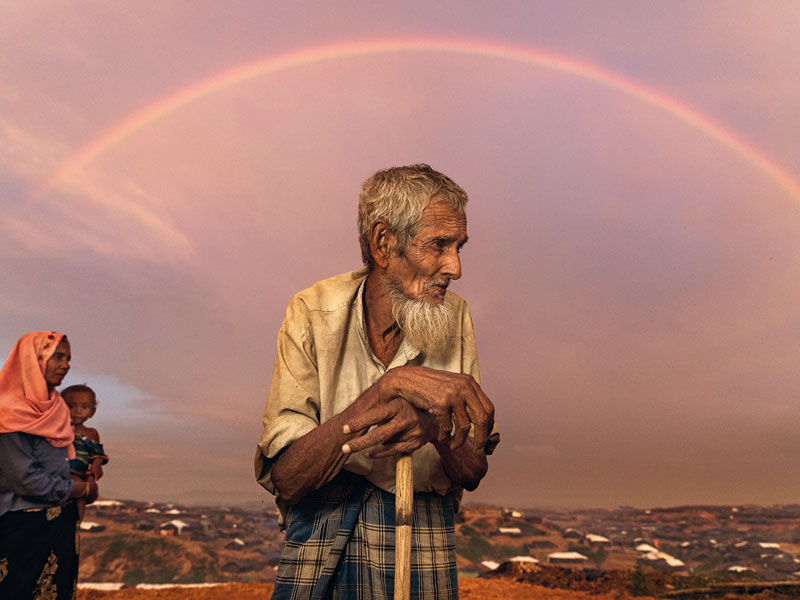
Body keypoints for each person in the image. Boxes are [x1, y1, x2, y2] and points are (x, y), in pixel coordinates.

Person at [256, 164, 498, 599]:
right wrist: (391, 386)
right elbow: (288, 478)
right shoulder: (312, 312)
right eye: (439, 245)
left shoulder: (456, 316)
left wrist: (430, 428)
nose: (456, 267)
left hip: (421, 527)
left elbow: (472, 470)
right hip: (321, 527)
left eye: (459, 246)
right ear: (384, 243)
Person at [0, 331, 97, 600]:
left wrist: (82, 483)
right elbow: (23, 480)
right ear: (34, 359)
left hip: (59, 524)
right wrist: (77, 489)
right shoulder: (9, 412)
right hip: (22, 527)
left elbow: (61, 462)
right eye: (57, 356)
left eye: (68, 358)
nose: (66, 365)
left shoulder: (57, 409)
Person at [62, 384, 108, 521]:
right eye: (71, 406)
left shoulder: (91, 433)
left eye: (84, 407)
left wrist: (96, 465)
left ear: (92, 412)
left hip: (79, 472)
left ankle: (76, 525)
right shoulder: (57, 429)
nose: (77, 411)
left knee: (80, 497)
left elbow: (98, 454)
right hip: (59, 470)